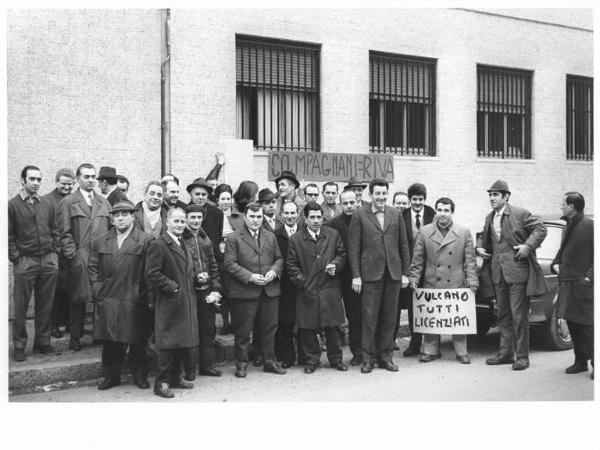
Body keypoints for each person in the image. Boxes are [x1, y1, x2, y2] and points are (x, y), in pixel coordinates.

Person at [477, 180, 547, 371]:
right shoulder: (489, 217)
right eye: (490, 195)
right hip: (498, 274)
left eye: (495, 195)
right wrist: (479, 248)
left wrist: (527, 246)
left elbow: (541, 229)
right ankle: (506, 353)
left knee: (519, 316)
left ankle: (522, 356)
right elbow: (485, 239)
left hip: (518, 273)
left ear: (506, 196)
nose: (491, 198)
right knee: (503, 315)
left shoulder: (520, 213)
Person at [88, 200, 154, 390]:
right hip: (108, 297)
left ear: (133, 216)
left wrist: (145, 295)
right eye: (117, 215)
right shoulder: (101, 240)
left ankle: (140, 374)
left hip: (134, 297)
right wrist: (97, 288)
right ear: (112, 218)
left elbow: (150, 271)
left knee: (138, 339)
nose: (121, 218)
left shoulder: (145, 240)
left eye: (125, 214)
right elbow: (93, 267)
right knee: (110, 340)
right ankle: (111, 375)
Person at [348, 178, 410, 373]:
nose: (381, 197)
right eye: (378, 194)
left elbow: (403, 245)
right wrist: (356, 275)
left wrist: (405, 273)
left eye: (384, 193)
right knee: (369, 318)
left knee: (389, 318)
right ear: (371, 195)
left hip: (392, 274)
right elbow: (353, 248)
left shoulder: (395, 214)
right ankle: (368, 359)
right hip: (370, 275)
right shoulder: (359, 215)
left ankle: (386, 357)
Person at [408, 197, 478, 363]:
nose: (442, 214)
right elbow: (418, 259)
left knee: (457, 318)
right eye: (439, 210)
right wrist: (414, 279)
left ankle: (461, 351)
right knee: (432, 318)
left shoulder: (464, 232)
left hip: (456, 283)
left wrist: (473, 282)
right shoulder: (424, 232)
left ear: (452, 212)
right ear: (436, 211)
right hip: (432, 282)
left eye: (446, 210)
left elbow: (470, 260)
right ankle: (430, 350)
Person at [224, 202, 286, 378]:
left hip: (269, 290)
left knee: (269, 329)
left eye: (259, 216)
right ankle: (241, 364)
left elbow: (279, 259)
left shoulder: (270, 236)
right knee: (243, 331)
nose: (256, 220)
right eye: (252, 216)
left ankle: (269, 362)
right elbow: (229, 264)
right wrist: (250, 276)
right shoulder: (234, 237)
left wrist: (274, 272)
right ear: (245, 217)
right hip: (245, 291)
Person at [287, 202, 347, 374]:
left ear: (323, 218)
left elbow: (341, 254)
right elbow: (291, 265)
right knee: (308, 328)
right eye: (312, 217)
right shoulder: (296, 239)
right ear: (305, 219)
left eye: (319, 217)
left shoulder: (333, 235)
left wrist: (336, 264)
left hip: (330, 288)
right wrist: (303, 283)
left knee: (333, 327)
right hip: (308, 289)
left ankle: (336, 359)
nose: (316, 221)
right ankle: (311, 361)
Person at [57, 163, 111, 351]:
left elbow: (111, 229)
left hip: (102, 257)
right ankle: (75, 337)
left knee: (100, 296)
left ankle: (99, 335)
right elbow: (63, 232)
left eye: (93, 177)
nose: (90, 180)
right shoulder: (68, 202)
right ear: (78, 179)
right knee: (78, 298)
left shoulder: (103, 202)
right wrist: (73, 255)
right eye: (86, 177)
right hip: (81, 256)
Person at [145, 207, 199, 398]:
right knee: (167, 344)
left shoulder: (183, 242)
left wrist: (196, 278)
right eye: (176, 221)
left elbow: (184, 269)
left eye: (182, 221)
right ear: (167, 221)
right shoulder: (159, 244)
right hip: (169, 301)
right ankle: (161, 383)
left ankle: (176, 378)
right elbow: (152, 274)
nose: (179, 225)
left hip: (185, 301)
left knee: (181, 342)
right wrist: (172, 287)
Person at [9, 166, 60, 361]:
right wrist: (16, 258)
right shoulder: (12, 205)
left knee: (45, 304)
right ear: (22, 181)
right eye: (32, 179)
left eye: (39, 179)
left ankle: (42, 342)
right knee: (20, 307)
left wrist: (54, 252)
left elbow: (55, 229)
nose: (36, 183)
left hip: (48, 259)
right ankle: (20, 346)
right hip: (25, 261)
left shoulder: (46, 204)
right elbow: (7, 235)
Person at [551, 192, 594, 379]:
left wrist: (590, 277)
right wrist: (555, 262)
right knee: (573, 324)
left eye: (563, 204)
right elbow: (563, 249)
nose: (561, 206)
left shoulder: (590, 225)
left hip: (583, 285)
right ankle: (580, 361)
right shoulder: (568, 225)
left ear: (572, 206)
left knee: (587, 327)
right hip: (568, 283)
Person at [182, 204, 223, 378]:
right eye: (193, 217)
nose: (196, 221)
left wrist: (215, 288)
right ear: (186, 219)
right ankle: (189, 369)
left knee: (208, 330)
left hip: (206, 291)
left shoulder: (206, 239)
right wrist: (194, 277)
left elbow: (213, 265)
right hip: (189, 292)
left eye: (199, 217)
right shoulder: (181, 239)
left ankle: (207, 366)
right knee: (190, 331)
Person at [398, 183, 436, 356]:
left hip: (429, 269)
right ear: (409, 199)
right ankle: (414, 344)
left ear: (425, 199)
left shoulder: (432, 214)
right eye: (414, 199)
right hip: (409, 269)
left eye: (421, 199)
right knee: (414, 309)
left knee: (429, 308)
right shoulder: (401, 216)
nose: (417, 203)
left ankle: (433, 345)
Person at [327, 189, 362, 365]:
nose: (349, 206)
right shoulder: (334, 224)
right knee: (352, 314)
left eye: (352, 202)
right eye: (345, 203)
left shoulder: (364, 219)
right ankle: (356, 351)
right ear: (340, 204)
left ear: (357, 202)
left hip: (363, 274)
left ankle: (366, 350)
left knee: (365, 314)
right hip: (343, 276)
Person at [43, 168, 75, 339]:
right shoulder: (47, 201)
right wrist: (56, 249)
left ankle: (69, 323)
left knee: (70, 290)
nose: (67, 187)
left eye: (70, 184)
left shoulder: (75, 200)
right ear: (56, 182)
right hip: (55, 254)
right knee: (54, 292)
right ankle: (54, 325)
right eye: (63, 184)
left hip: (71, 253)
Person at [274, 201, 302, 368]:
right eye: (287, 213)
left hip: (303, 282)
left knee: (305, 321)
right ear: (282, 215)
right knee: (286, 321)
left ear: (298, 214)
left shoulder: (305, 231)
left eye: (293, 213)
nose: (290, 216)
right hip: (284, 285)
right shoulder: (276, 235)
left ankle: (305, 356)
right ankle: (287, 357)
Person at [186, 177, 224, 266]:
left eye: (203, 194)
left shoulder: (217, 213)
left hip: (212, 260)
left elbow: (218, 237)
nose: (200, 197)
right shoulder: (184, 211)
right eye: (197, 194)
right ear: (191, 195)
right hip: (191, 261)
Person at [214, 183, 235, 335]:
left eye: (228, 198)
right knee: (223, 291)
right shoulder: (214, 215)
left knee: (233, 292)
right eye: (223, 198)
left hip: (234, 256)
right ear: (217, 200)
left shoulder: (237, 216)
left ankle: (234, 322)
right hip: (219, 257)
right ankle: (225, 322)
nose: (226, 201)